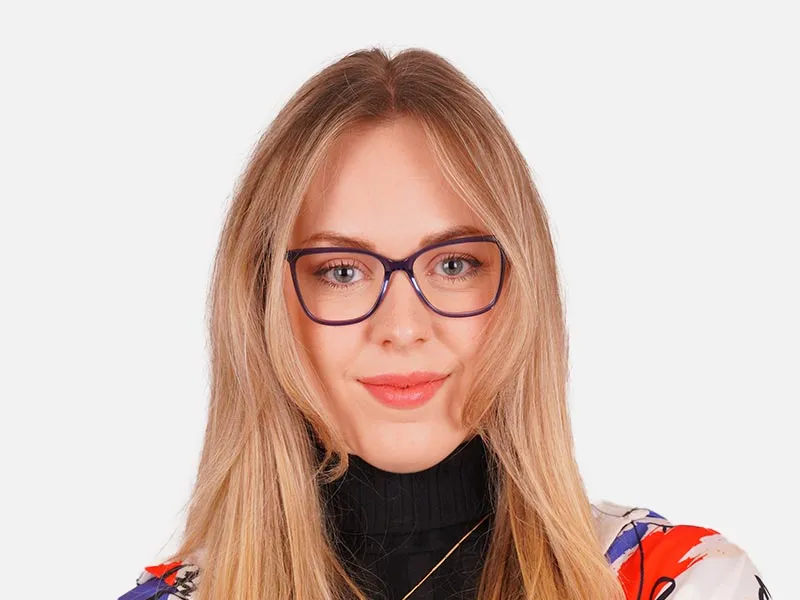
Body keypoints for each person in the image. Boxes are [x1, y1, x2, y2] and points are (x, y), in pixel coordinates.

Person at [118, 47, 770, 600]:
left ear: (521, 286)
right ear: (262, 300)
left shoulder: (689, 582)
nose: (403, 327)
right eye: (342, 271)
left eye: (454, 264)